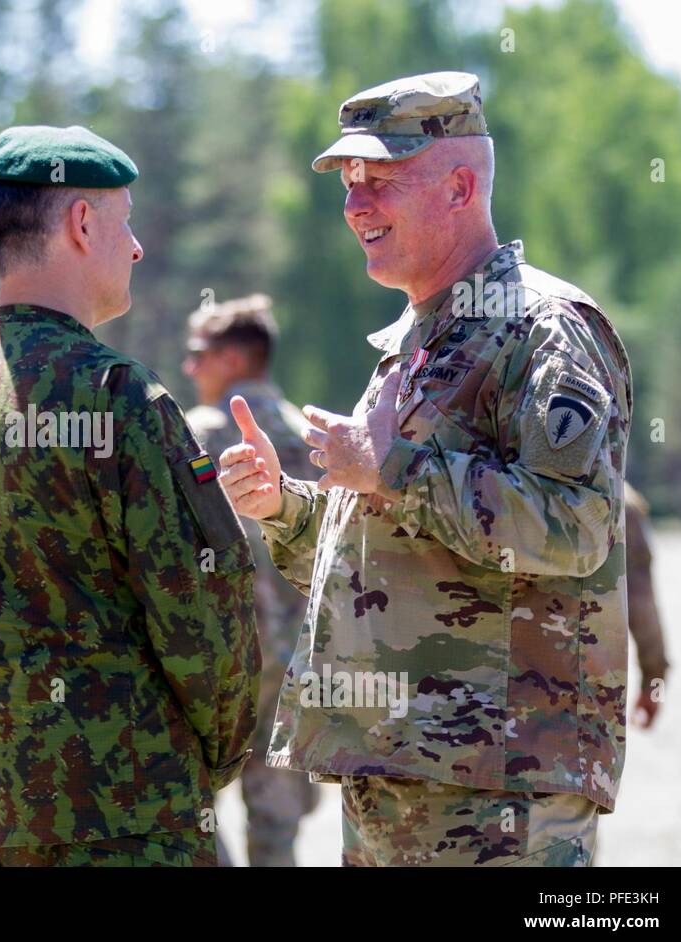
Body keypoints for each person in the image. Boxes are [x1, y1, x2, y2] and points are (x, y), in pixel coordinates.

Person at [218, 72, 632, 866]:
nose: (355, 206)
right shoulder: (417, 341)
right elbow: (395, 550)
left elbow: (575, 528)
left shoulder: (542, 331)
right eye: (349, 183)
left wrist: (395, 468)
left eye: (381, 181)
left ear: (461, 185)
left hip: (495, 785)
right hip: (395, 773)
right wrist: (287, 511)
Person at [0, 125, 260, 866]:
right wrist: (205, 762)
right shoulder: (122, 399)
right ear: (82, 224)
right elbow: (204, 623)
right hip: (123, 818)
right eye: (125, 220)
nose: (136, 246)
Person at [182, 295, 319, 866]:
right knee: (277, 824)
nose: (189, 368)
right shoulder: (316, 437)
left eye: (198, 353)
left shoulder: (194, 435)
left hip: (215, 662)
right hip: (298, 663)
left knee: (187, 807)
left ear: (233, 358)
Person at [623, 482, 669, 729]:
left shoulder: (489, 479)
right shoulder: (622, 501)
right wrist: (654, 685)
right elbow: (643, 609)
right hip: (580, 697)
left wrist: (654, 684)